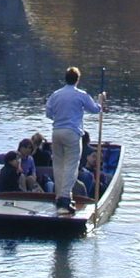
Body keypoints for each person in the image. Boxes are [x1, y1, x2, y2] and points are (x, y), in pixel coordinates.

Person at [45, 66, 105, 215]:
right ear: (77, 80)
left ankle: (60, 197)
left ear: (65, 78)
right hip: (72, 133)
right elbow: (95, 109)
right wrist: (101, 100)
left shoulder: (55, 94)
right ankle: (64, 200)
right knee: (71, 166)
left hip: (56, 132)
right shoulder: (81, 95)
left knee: (58, 165)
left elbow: (48, 113)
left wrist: (59, 118)